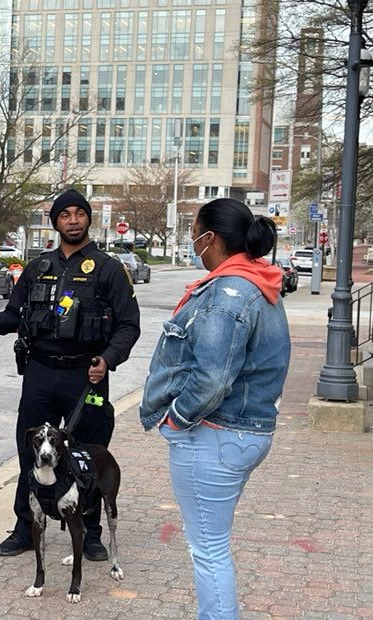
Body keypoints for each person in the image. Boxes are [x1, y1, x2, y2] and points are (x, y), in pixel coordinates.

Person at [0, 188, 140, 561]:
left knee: (86, 454)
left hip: (86, 374)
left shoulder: (108, 269)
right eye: (65, 214)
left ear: (88, 219)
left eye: (79, 213)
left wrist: (108, 359)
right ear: (55, 222)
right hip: (40, 373)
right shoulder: (38, 267)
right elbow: (12, 317)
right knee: (31, 454)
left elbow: (128, 326)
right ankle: (26, 529)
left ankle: (89, 533)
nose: (73, 220)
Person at [139, 198, 291, 620]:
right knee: (213, 543)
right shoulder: (259, 284)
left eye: (193, 231)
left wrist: (176, 420)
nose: (191, 239)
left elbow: (213, 377)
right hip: (246, 432)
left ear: (212, 238)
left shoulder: (228, 293)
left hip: (216, 435)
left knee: (208, 549)